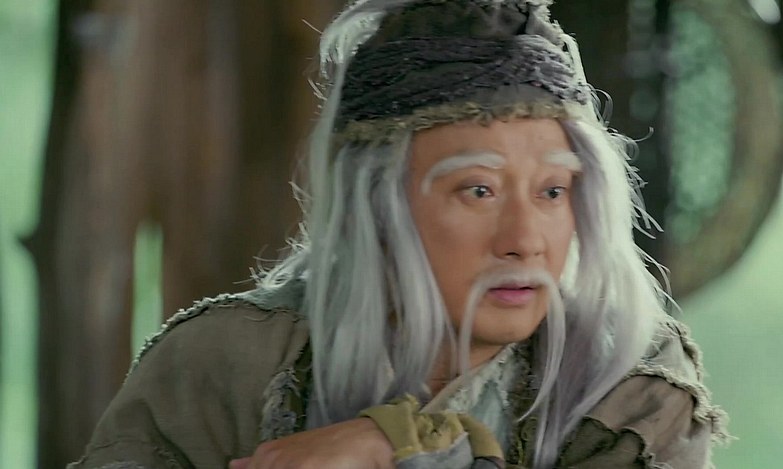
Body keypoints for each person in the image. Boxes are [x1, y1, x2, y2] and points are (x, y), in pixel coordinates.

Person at [70, 0, 729, 468]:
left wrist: (397, 442)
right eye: (477, 190)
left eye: (552, 191)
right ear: (376, 207)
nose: (525, 240)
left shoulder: (626, 384)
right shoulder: (226, 363)